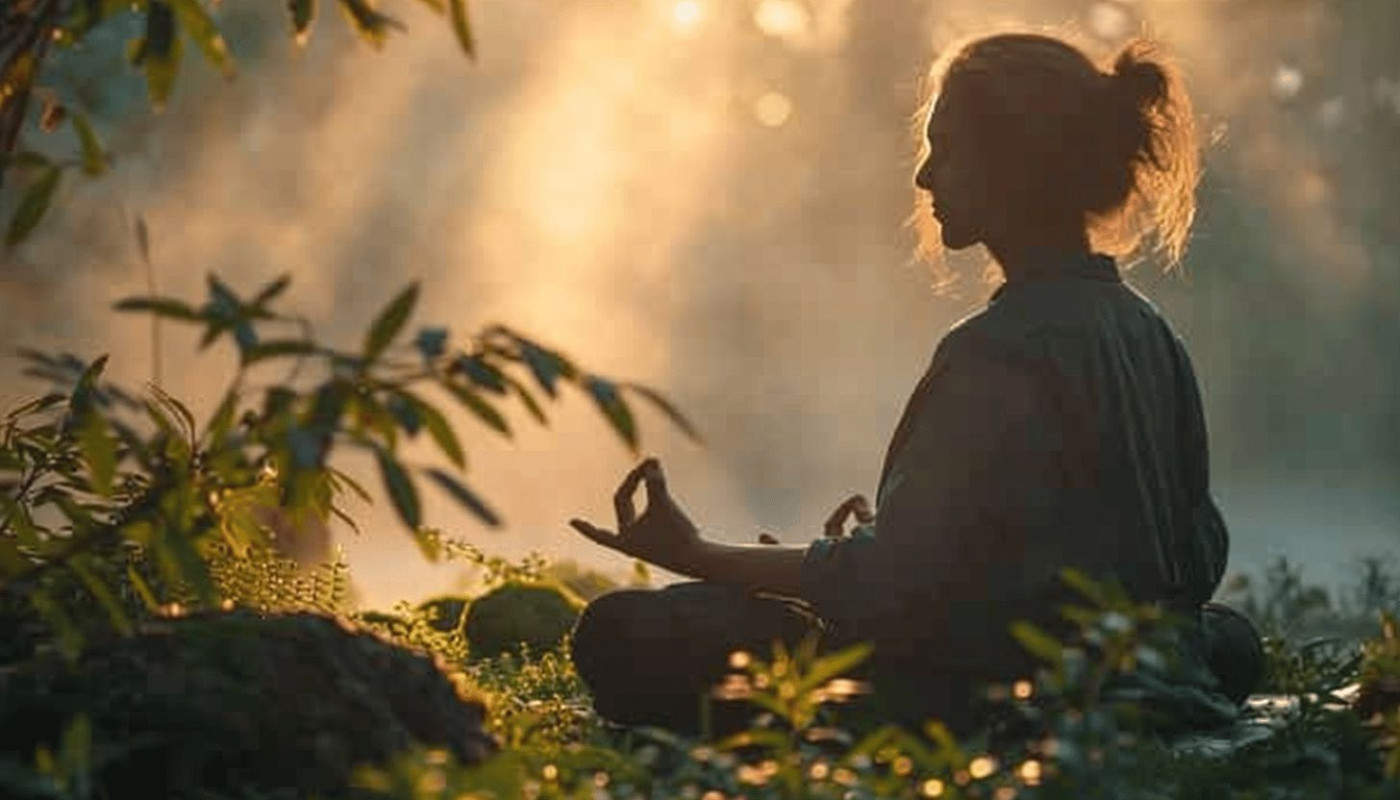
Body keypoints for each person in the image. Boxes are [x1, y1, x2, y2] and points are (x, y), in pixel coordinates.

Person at [567, 31, 1264, 737]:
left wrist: (697, 555)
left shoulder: (995, 350)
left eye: (947, 148)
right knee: (1229, 640)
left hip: (986, 691)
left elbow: (894, 584)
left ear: (1015, 165)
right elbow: (1195, 553)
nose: (926, 177)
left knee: (620, 632)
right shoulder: (1153, 337)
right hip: (1139, 671)